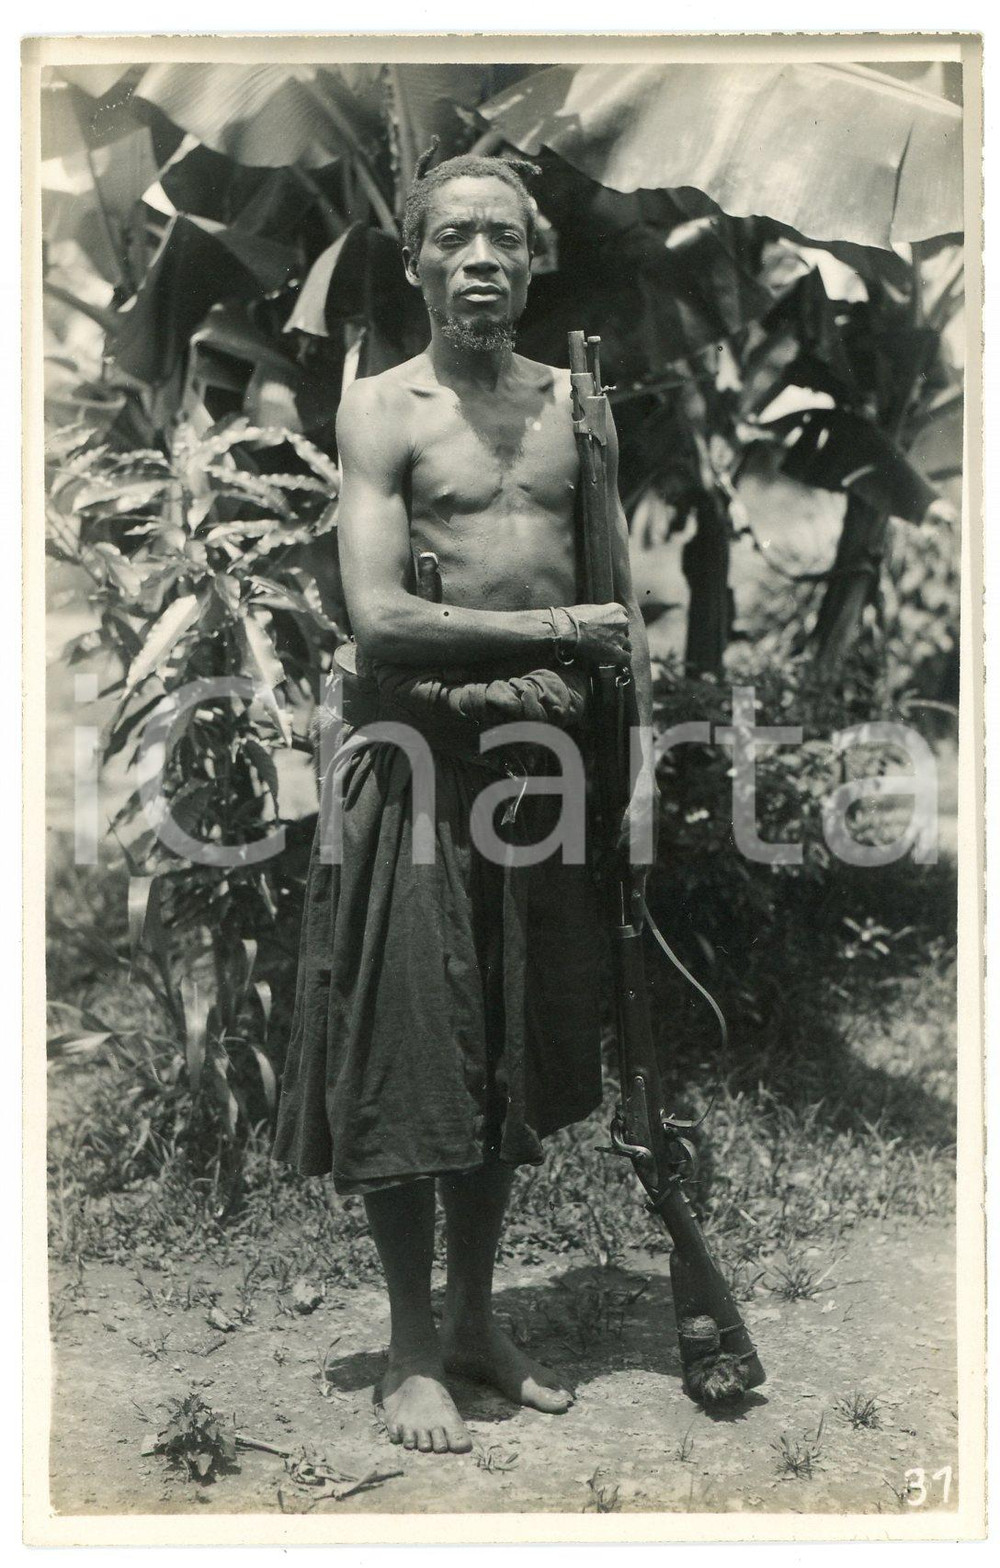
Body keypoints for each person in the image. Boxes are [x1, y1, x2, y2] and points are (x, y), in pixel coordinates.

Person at [272, 150, 657, 1456]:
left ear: (534, 261)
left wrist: (634, 758)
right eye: (457, 240)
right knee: (412, 1050)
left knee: (504, 1053)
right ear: (420, 262)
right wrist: (557, 630)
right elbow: (377, 613)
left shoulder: (577, 407)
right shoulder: (385, 409)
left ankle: (483, 1320)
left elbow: (623, 609)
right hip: (420, 760)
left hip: (545, 776)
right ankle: (409, 1348)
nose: (482, 260)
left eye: (505, 238)